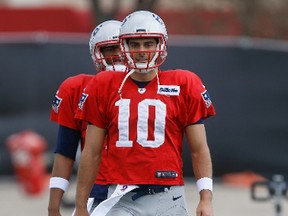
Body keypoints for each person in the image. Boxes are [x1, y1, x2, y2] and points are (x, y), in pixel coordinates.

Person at [75, 10, 216, 216]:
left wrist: (206, 198)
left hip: (169, 197)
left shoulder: (184, 83)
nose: (141, 50)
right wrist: (80, 205)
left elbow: (199, 149)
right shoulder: (104, 86)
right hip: (121, 197)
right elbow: (91, 152)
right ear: (124, 46)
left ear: (161, 45)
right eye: (134, 44)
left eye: (148, 43)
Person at [48, 20, 126, 216]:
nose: (117, 54)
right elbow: (65, 151)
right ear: (97, 54)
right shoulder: (76, 89)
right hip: (98, 191)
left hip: (146, 188)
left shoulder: (159, 88)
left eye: (121, 47)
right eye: (109, 49)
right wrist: (53, 206)